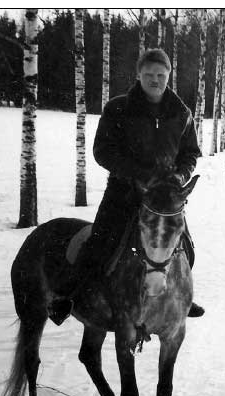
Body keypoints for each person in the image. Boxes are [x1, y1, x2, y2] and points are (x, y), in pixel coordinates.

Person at [51, 48, 204, 324]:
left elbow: (191, 153)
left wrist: (181, 176)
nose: (155, 80)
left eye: (160, 75)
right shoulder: (118, 108)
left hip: (164, 199)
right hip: (123, 194)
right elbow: (102, 151)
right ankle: (71, 294)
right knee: (99, 243)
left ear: (169, 76)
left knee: (184, 246)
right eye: (149, 74)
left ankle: (180, 297)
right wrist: (137, 174)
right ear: (138, 75)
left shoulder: (181, 113)